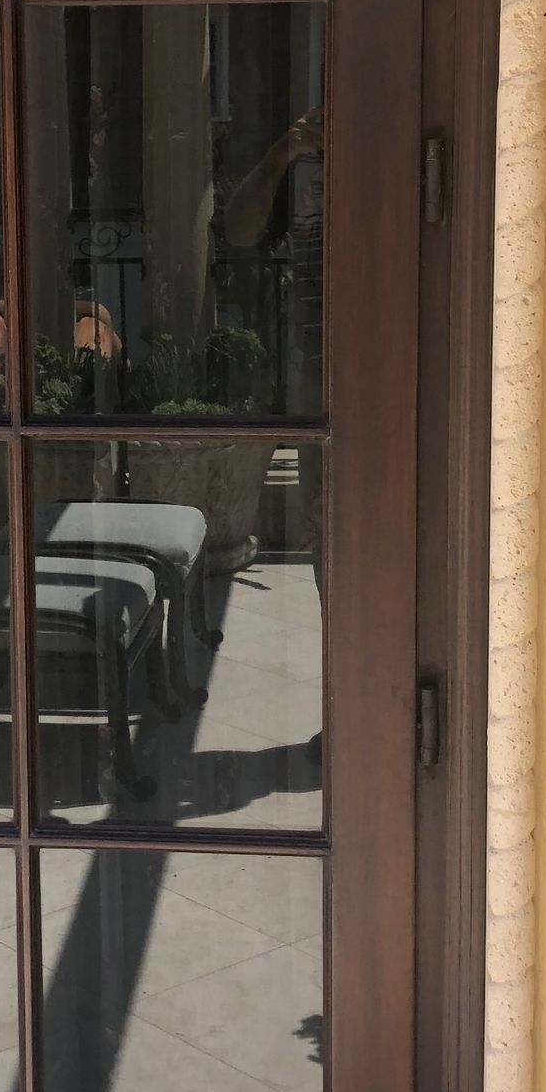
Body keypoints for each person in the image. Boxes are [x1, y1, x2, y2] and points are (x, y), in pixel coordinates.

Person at [222, 106, 324, 767]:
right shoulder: (303, 163)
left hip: (412, 377)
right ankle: (352, 710)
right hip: (323, 381)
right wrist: (285, 151)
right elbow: (238, 231)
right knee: (332, 549)